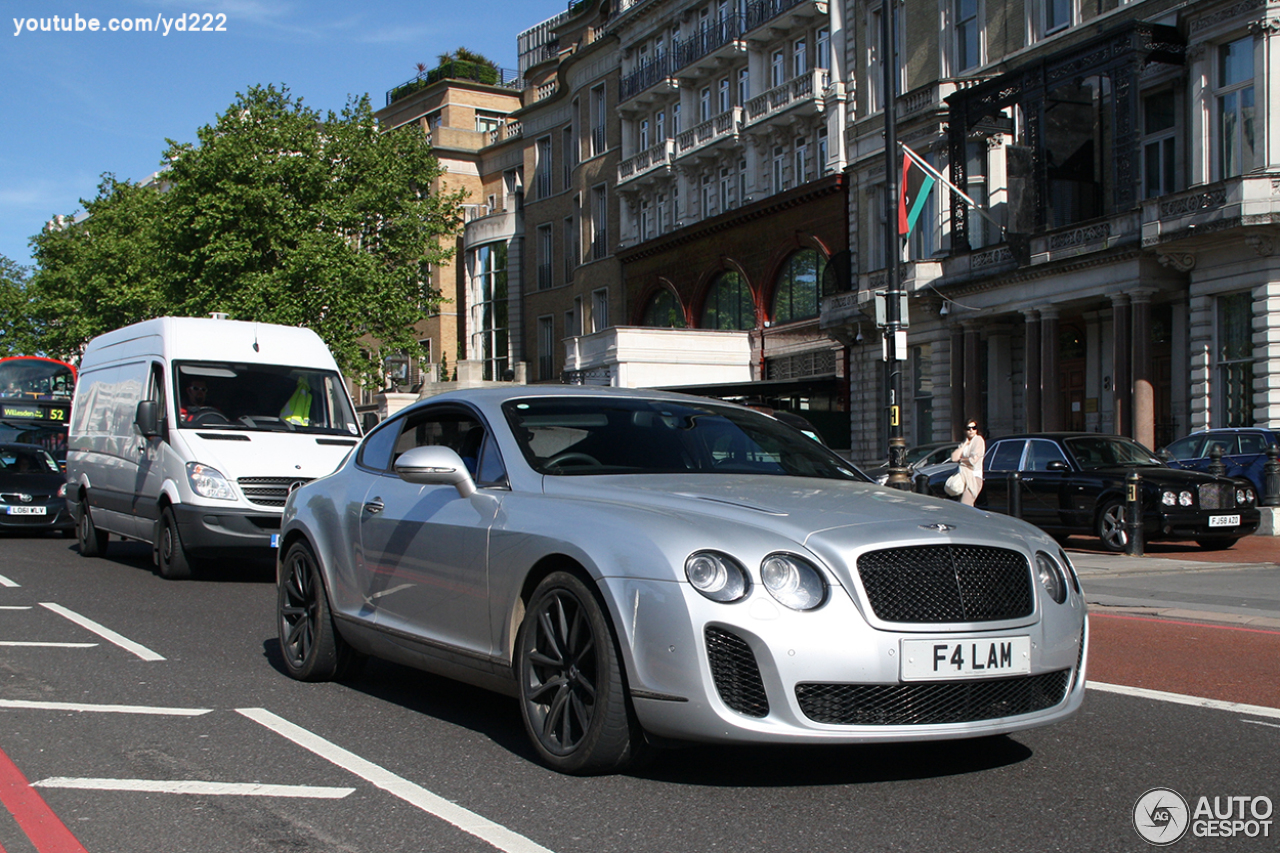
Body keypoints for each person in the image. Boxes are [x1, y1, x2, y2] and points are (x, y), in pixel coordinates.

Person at [951, 419, 986, 506]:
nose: (971, 430)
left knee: (965, 504)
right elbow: (954, 457)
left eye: (974, 428)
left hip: (974, 477)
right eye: (968, 428)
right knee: (962, 506)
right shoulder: (965, 442)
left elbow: (973, 460)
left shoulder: (978, 440)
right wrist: (964, 445)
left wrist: (961, 460)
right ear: (964, 430)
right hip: (963, 477)